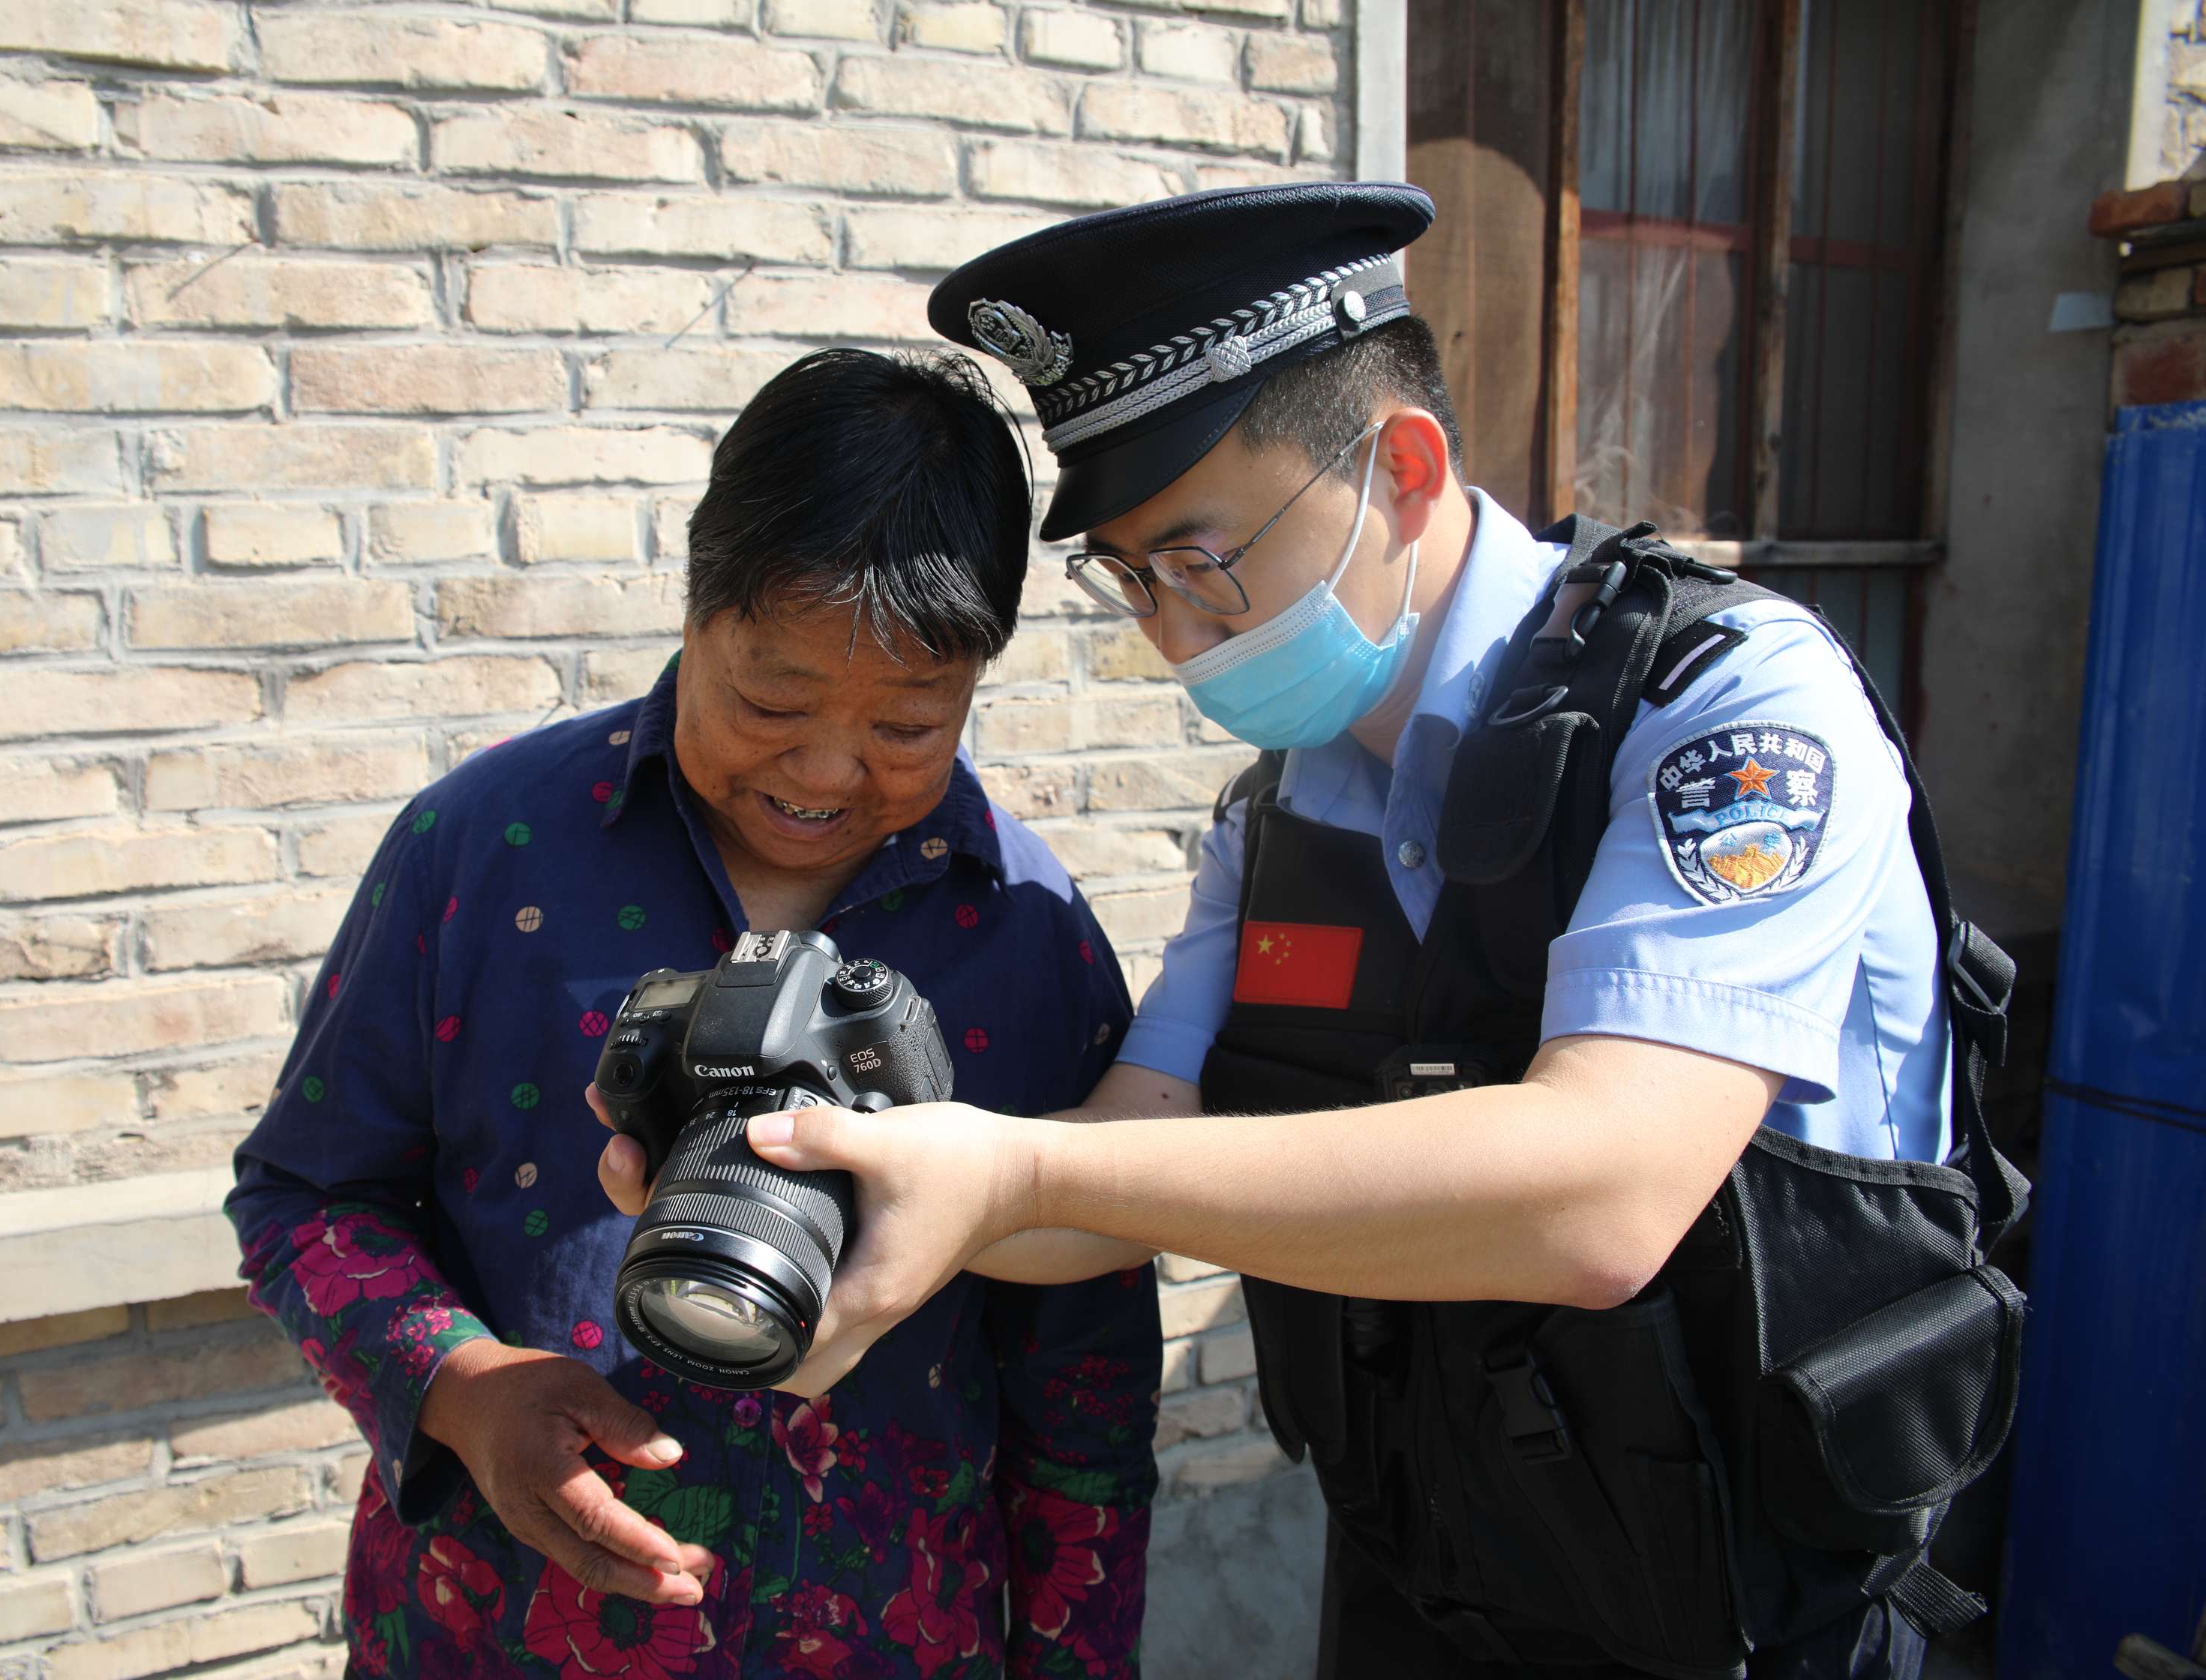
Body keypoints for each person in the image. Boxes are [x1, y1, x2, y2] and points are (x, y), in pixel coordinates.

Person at [596, 186, 2027, 1680]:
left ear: (1402, 470)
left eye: (1206, 563)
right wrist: (825, 1175)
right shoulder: (1277, 816)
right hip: (1434, 1579)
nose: (1172, 635)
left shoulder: (1723, 714)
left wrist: (1012, 1167)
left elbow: (1602, 1198)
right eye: (1133, 579)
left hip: (1751, 1616)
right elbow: (1121, 1159)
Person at [230, 347, 1160, 1680]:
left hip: (895, 1636)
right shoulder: (482, 852)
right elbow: (305, 1197)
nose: (830, 770)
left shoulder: (1027, 928)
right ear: (693, 608)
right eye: (773, 701)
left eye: (910, 725)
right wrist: (462, 1388)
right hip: (493, 1629)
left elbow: (1087, 1380)